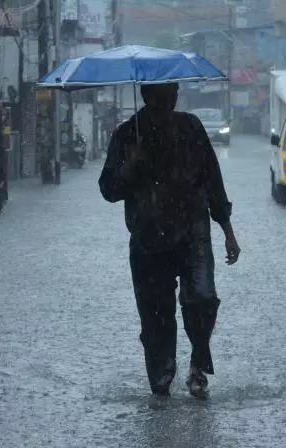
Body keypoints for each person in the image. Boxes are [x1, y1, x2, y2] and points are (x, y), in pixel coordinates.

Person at [99, 83, 241, 406]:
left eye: (172, 95)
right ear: (147, 96)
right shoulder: (127, 135)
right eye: (160, 97)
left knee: (203, 300)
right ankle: (161, 387)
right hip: (149, 243)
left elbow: (213, 180)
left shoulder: (191, 128)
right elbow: (108, 188)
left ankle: (198, 364)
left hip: (193, 235)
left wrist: (228, 231)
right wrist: (131, 164)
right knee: (155, 322)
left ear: (177, 95)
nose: (167, 102)